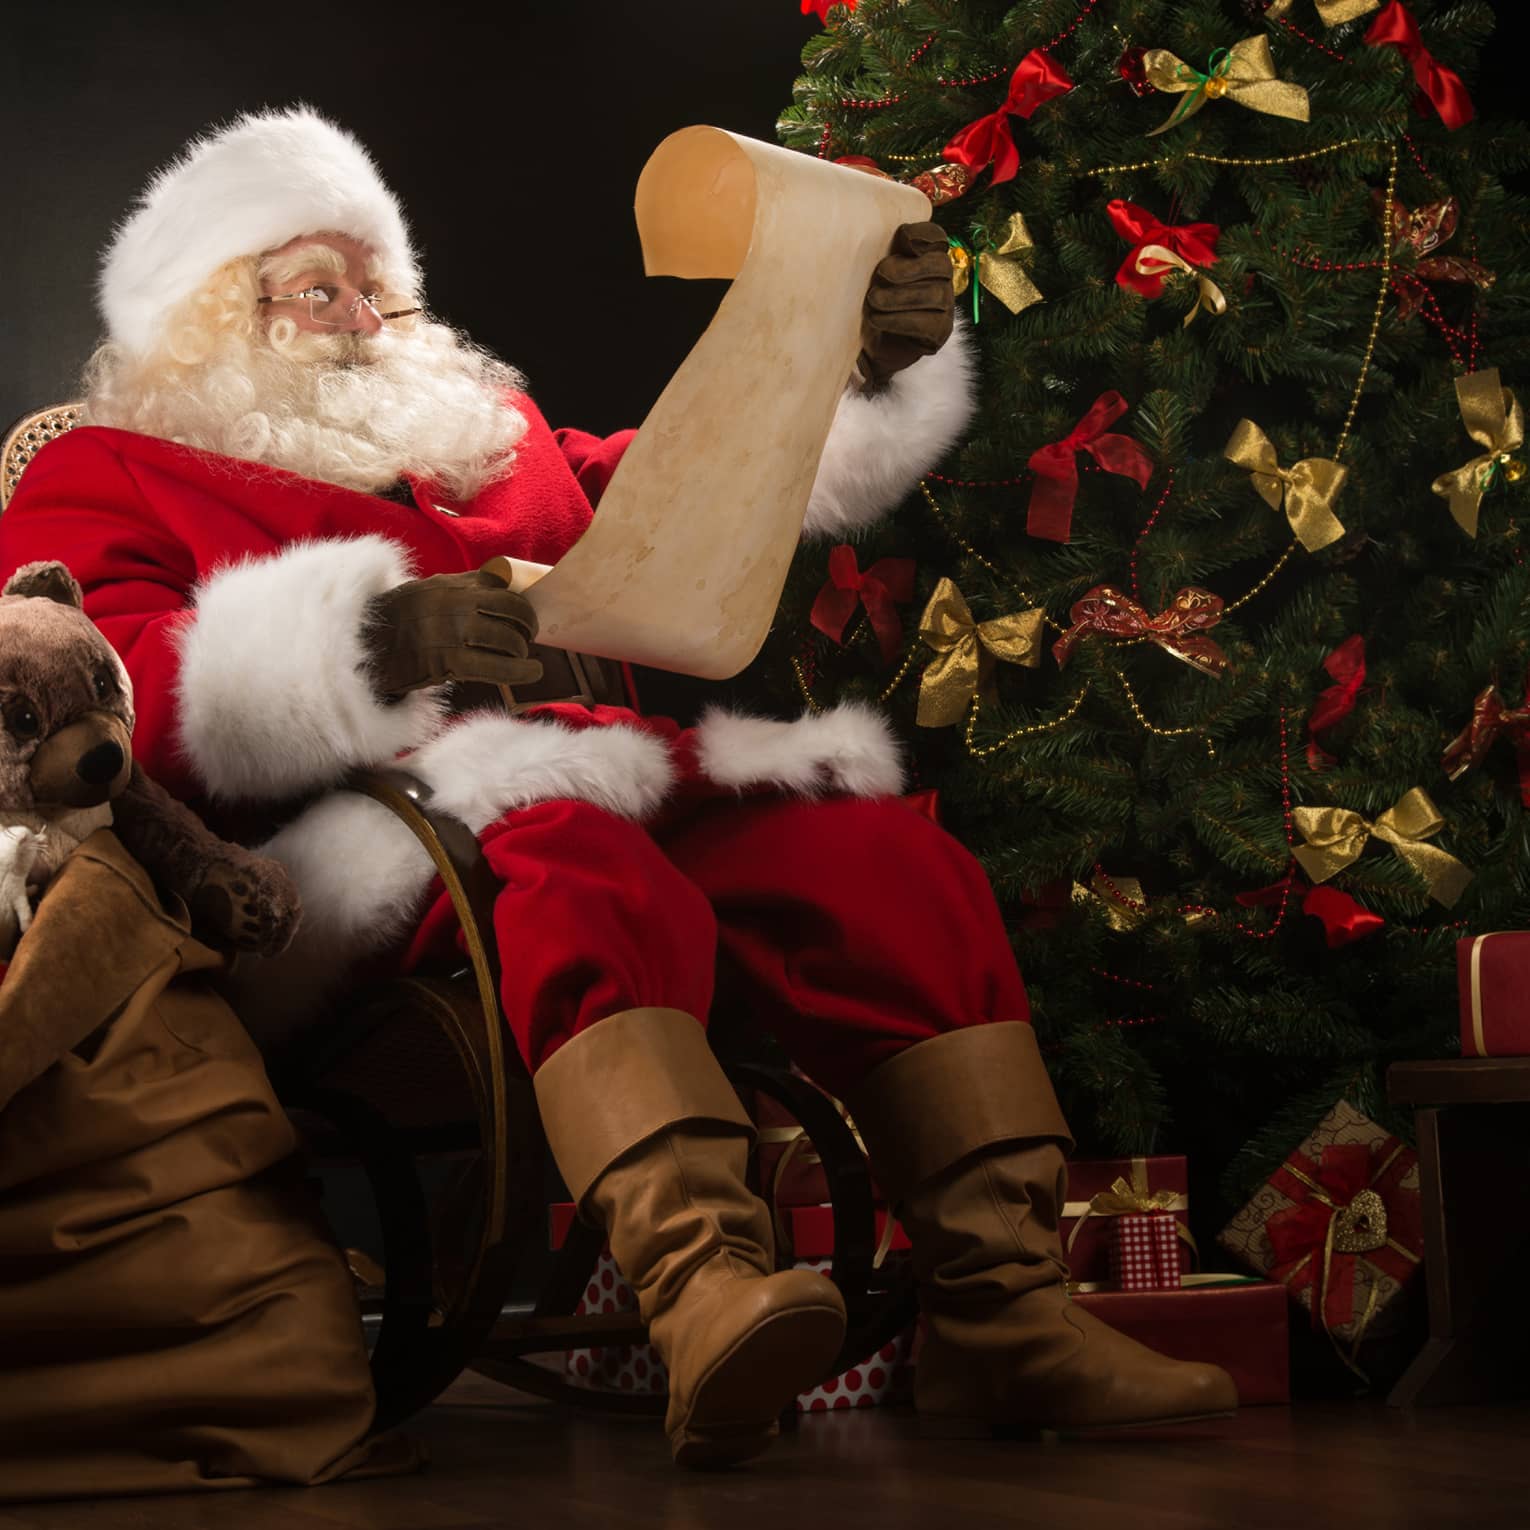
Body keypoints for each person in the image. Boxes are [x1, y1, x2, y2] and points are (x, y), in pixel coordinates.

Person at [0, 108, 1236, 1468]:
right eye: (315, 287)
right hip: (343, 861)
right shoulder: (102, 470)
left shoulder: (494, 443)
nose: (363, 315)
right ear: (207, 319)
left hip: (604, 790)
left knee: (866, 847)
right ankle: (700, 1281)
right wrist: (367, 642)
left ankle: (1002, 1308)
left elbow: (684, 494)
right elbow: (108, 696)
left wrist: (852, 366)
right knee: (565, 841)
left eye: (378, 286)